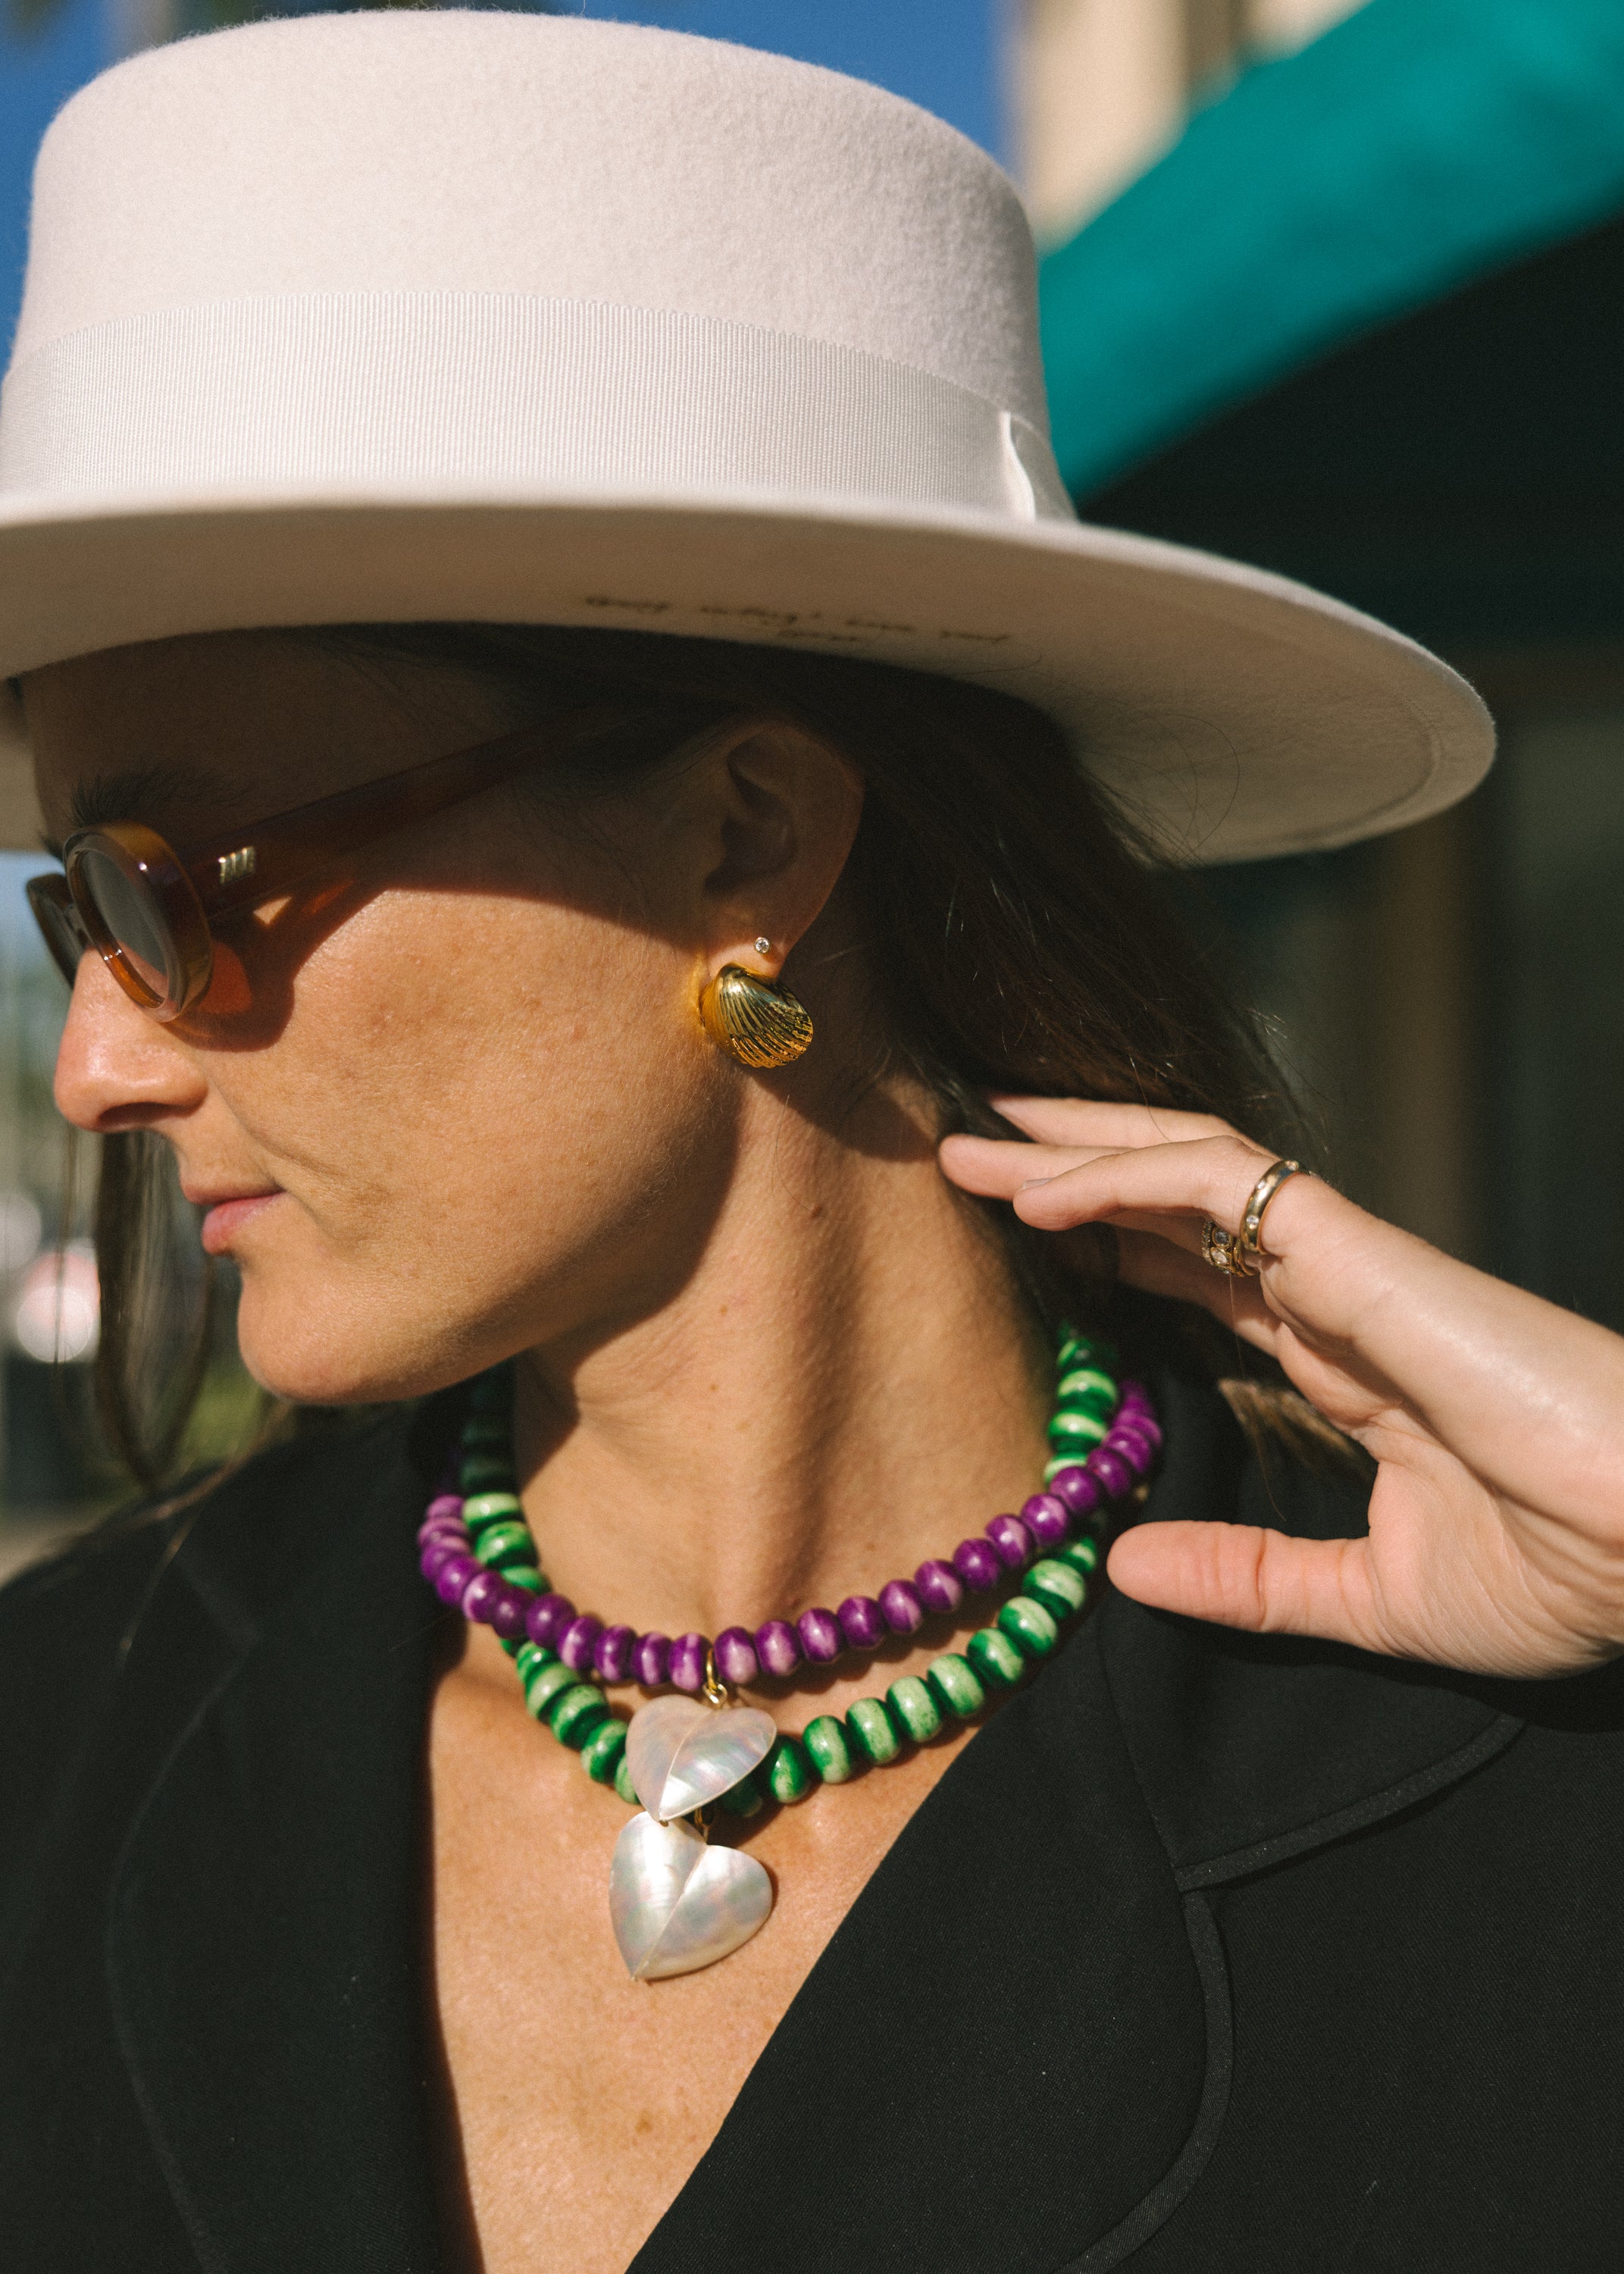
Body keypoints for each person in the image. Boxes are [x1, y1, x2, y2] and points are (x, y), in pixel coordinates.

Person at [2, 15, 1621, 2274]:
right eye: (77, 913)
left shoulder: (1515, 1777)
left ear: (744, 836)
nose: (98, 1066)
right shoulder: (54, 1749)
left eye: (181, 887)